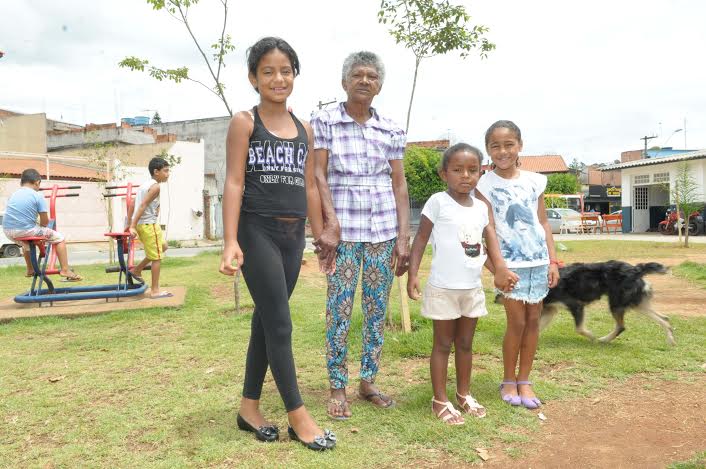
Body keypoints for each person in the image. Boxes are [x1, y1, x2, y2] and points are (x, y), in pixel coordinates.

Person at [218, 37, 335, 451]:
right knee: (280, 323)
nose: (277, 78)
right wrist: (230, 239)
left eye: (285, 70)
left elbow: (308, 187)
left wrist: (319, 233)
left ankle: (249, 408)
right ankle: (298, 415)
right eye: (267, 71)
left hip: (292, 237)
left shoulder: (305, 128)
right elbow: (233, 181)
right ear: (253, 78)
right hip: (257, 230)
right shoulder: (245, 122)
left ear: (295, 76)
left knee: (265, 320)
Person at [311, 51, 410, 420]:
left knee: (375, 308)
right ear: (344, 82)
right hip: (344, 233)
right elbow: (319, 175)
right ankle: (337, 384)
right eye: (357, 75)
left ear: (379, 86)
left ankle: (368, 380)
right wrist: (329, 225)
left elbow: (399, 184)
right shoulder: (325, 120)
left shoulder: (392, 129)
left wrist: (403, 237)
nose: (364, 81)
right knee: (338, 308)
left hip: (383, 231)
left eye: (371, 76)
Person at [407, 143, 516, 425]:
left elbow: (489, 240)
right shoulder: (437, 202)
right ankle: (439, 400)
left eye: (472, 170)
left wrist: (500, 269)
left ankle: (464, 394)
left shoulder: (481, 207)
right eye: (457, 170)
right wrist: (413, 273)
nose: (465, 176)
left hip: (471, 289)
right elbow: (420, 240)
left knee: (466, 343)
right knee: (443, 344)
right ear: (444, 174)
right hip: (443, 288)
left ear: (481, 172)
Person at [476, 120, 560, 410]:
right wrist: (497, 268)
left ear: (519, 146)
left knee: (534, 321)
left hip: (538, 262)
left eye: (508, 144)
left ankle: (525, 380)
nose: (502, 151)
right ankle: (508, 380)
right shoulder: (483, 184)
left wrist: (552, 260)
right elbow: (486, 228)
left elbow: (544, 222)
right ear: (488, 150)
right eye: (495, 146)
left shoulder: (535, 181)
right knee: (517, 322)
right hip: (509, 265)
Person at [2, 168, 82, 281]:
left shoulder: (13, 195)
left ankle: (30, 269)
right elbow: (45, 222)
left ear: (21, 182)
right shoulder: (37, 196)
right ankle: (65, 270)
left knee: (27, 243)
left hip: (8, 231)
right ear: (37, 182)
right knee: (59, 238)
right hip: (26, 230)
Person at [128, 156, 172, 299]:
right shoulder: (155, 187)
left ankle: (137, 270)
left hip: (147, 225)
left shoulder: (144, 185)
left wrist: (129, 223)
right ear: (156, 171)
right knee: (157, 257)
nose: (168, 174)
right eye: (165, 171)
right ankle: (155, 291)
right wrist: (132, 226)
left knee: (163, 246)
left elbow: (132, 204)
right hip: (148, 225)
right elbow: (142, 205)